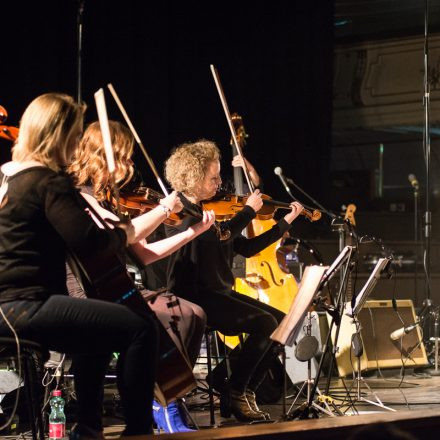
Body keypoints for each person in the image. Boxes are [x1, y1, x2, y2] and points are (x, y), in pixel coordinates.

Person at [0, 93, 211, 439]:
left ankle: (88, 428)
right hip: (26, 307)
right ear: (59, 135)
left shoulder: (12, 177)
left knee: (95, 333)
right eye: (74, 133)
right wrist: (125, 230)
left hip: (10, 306)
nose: (76, 142)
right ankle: (139, 430)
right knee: (141, 328)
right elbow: (92, 242)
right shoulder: (47, 181)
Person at [68, 120, 213, 433]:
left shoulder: (114, 198)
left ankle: (164, 394)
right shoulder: (80, 195)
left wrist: (192, 231)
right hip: (86, 291)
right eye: (124, 158)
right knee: (152, 321)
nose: (130, 166)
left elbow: (145, 253)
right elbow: (118, 234)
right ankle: (159, 403)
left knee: (193, 314)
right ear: (100, 156)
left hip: (117, 288)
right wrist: (163, 209)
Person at [163, 139, 304, 422]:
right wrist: (248, 211)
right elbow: (221, 234)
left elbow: (247, 247)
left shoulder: (212, 212)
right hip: (195, 296)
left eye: (218, 177)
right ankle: (238, 391)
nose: (219, 183)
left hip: (219, 292)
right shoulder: (185, 214)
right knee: (265, 323)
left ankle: (238, 388)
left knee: (281, 321)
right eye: (212, 178)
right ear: (192, 178)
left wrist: (284, 223)